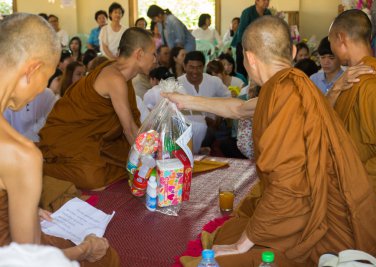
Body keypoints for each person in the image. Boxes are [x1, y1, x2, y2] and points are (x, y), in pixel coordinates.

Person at [163, 16, 376, 266]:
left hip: (313, 218)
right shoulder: (293, 85)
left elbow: (288, 186)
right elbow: (240, 109)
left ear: (249, 58)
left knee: (222, 252)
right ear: (294, 51)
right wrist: (185, 101)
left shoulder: (284, 91)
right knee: (228, 233)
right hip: (316, 202)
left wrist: (242, 243)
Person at [0, 13, 119, 266]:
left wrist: (25, 209)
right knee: (106, 258)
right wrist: (85, 250)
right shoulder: (20, 154)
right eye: (48, 77)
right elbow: (28, 262)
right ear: (31, 70)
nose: (41, 89)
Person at [38, 27, 156, 190]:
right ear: (139, 54)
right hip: (71, 138)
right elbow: (128, 129)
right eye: (153, 54)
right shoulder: (114, 78)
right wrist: (150, 160)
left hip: (95, 138)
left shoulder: (122, 75)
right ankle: (37, 168)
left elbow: (128, 126)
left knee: (126, 158)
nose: (155, 59)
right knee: (94, 178)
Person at [328, 9, 376, 197]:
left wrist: (359, 178)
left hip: (364, 191)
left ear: (341, 38)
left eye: (330, 40)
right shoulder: (348, 79)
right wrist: (335, 89)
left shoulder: (369, 82)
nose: (330, 48)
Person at [178, 51, 231, 153]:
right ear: (184, 66)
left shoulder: (213, 81)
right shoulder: (177, 84)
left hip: (213, 128)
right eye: (191, 67)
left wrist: (219, 116)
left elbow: (227, 98)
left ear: (204, 67)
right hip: (186, 131)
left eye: (199, 67)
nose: (195, 71)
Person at [231, 0, 271, 78]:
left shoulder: (268, 12)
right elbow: (242, 32)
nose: (266, 2)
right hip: (244, 44)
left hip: (259, 45)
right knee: (242, 71)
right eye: (264, 0)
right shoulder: (247, 12)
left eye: (268, 0)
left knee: (257, 71)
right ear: (256, 1)